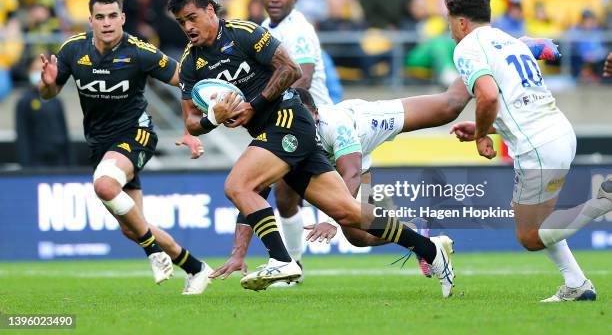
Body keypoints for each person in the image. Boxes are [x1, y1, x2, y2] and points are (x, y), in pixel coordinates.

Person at [169, 0, 455, 297]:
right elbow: (192, 123)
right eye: (182, 22)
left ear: (211, 10)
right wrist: (214, 118)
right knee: (349, 214)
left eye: (192, 17)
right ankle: (429, 249)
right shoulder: (191, 64)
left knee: (237, 185)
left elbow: (290, 70)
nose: (188, 27)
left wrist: (253, 106)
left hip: (288, 118)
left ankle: (281, 259)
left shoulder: (243, 33)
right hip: (274, 133)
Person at [213, 31, 563, 281]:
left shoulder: (334, 126)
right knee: (359, 235)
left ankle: (512, 51)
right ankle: (419, 235)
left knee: (449, 106)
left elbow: (349, 174)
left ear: (312, 116)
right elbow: (254, 189)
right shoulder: (285, 136)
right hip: (345, 157)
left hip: (369, 124)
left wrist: (329, 220)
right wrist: (239, 251)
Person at [445, 0, 612, 302]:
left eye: (450, 21)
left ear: (462, 22)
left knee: (530, 236)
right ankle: (577, 284)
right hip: (559, 132)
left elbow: (488, 95)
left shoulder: (467, 48)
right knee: (538, 222)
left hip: (537, 146)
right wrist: (488, 129)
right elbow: (518, 104)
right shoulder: (510, 41)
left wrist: (481, 135)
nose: (450, 29)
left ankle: (603, 201)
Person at [38, 0, 212, 295]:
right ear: (91, 20)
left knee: (104, 186)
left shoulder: (140, 51)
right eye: (100, 17)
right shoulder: (71, 50)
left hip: (137, 134)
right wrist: (48, 83)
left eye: (112, 16)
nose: (107, 23)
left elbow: (184, 80)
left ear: (123, 18)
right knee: (132, 227)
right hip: (100, 144)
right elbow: (48, 94)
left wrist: (190, 127)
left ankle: (154, 253)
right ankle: (197, 269)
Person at [259, 0, 333, 284]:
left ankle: (421, 238)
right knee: (285, 195)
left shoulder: (299, 30)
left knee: (357, 225)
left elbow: (300, 80)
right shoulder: (263, 29)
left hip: (321, 124)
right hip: (291, 124)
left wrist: (257, 104)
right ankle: (293, 269)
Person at [16, 54, 72, 168]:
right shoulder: (24, 101)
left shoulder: (56, 101)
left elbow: (65, 133)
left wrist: (71, 163)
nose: (39, 73)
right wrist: (26, 166)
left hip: (59, 160)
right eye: (35, 70)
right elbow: (22, 137)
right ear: (28, 72)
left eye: (42, 69)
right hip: (36, 162)